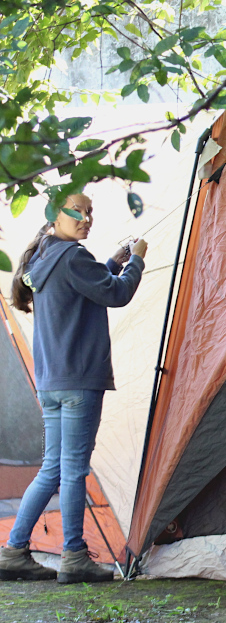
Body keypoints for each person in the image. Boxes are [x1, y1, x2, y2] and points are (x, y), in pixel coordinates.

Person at [0, 195, 147, 584]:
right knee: (74, 469)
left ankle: (13, 551)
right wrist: (137, 261)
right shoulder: (73, 256)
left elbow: (89, 284)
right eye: (77, 211)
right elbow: (116, 294)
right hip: (80, 381)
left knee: (53, 469)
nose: (86, 219)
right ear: (54, 215)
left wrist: (114, 261)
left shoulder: (42, 259)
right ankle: (75, 555)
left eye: (90, 212)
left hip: (51, 382)